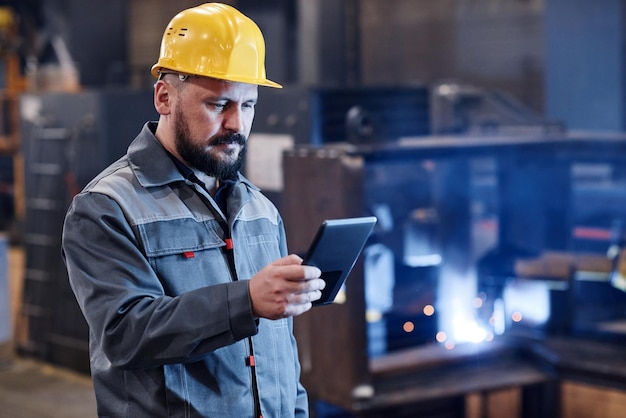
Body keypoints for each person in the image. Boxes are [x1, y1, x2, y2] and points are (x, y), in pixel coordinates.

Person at [61, 3, 325, 417]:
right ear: (164, 97)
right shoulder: (106, 208)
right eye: (219, 105)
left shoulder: (260, 210)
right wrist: (246, 301)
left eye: (249, 105)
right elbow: (125, 334)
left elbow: (280, 349)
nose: (237, 124)